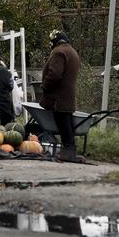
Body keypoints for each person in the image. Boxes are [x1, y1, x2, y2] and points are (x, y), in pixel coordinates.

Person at [41, 30, 82, 162]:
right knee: (67, 123)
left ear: (54, 42)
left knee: (63, 123)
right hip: (68, 95)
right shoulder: (72, 51)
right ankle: (70, 151)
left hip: (59, 96)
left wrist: (45, 86)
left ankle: (68, 153)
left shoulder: (59, 52)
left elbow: (55, 74)